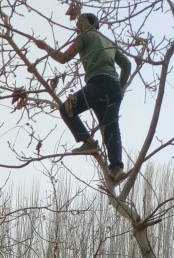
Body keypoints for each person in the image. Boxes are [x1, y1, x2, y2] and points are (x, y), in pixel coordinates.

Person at [33, 12, 132, 183]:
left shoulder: (85, 36)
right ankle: (116, 168)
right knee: (111, 128)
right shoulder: (109, 42)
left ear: (88, 24)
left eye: (80, 23)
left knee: (66, 109)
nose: (77, 26)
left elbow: (63, 58)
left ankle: (88, 142)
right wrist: (120, 87)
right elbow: (127, 65)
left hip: (97, 83)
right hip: (113, 88)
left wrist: (45, 47)